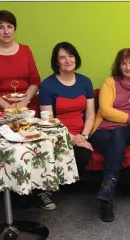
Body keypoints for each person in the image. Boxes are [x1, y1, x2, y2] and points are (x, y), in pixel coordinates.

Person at [89, 48, 130, 222]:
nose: (128, 67)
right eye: (123, 63)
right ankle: (107, 196)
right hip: (102, 130)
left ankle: (107, 190)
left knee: (118, 133)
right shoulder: (110, 82)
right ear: (118, 66)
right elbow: (105, 110)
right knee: (116, 137)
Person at [39, 42, 95, 189]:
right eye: (62, 58)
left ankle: (67, 185)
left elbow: (90, 114)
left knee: (84, 154)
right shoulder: (47, 85)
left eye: (71, 56)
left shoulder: (85, 81)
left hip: (82, 132)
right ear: (56, 62)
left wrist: (84, 135)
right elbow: (49, 119)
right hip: (57, 133)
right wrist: (71, 138)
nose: (68, 61)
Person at [0, 10, 40, 113]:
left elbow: (35, 82)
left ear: (14, 28)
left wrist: (22, 103)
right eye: (0, 27)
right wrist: (8, 107)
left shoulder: (26, 50)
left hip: (26, 106)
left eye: (9, 26)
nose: (6, 32)